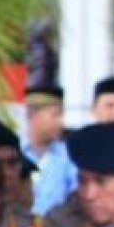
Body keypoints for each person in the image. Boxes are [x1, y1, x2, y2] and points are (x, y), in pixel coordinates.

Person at [25, 85, 78, 216]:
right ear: (32, 114)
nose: (60, 122)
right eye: (55, 115)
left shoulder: (69, 156)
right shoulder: (14, 152)